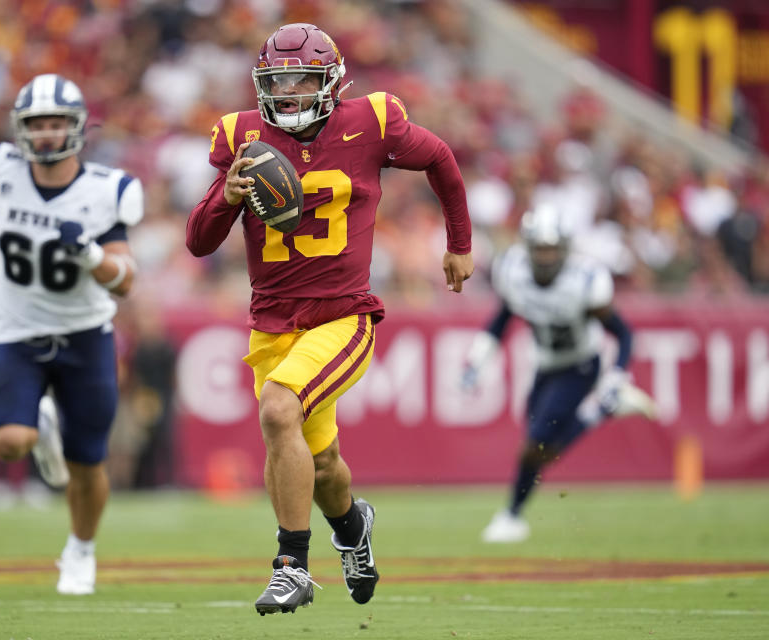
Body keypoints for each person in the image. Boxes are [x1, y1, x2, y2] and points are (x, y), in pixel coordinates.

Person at [186, 23, 473, 615]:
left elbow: (440, 157)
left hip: (343, 314)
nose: (288, 92)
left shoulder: (371, 122)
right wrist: (228, 197)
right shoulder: (242, 136)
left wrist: (459, 242)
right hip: (272, 323)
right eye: (278, 81)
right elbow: (198, 242)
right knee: (321, 466)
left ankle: (291, 566)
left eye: (301, 79)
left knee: (278, 410)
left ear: (332, 80)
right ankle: (352, 528)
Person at [0, 73, 142, 595]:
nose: (48, 134)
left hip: (84, 333)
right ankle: (41, 428)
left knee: (87, 462)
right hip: (15, 327)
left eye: (57, 123)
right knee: (9, 442)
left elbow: (126, 281)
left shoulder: (106, 190)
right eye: (37, 124)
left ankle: (81, 550)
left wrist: (91, 255)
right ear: (20, 128)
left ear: (76, 127)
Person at [462, 204, 656, 544]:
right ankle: (602, 411)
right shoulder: (514, 272)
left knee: (531, 447)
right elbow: (503, 319)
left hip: (580, 365)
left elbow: (624, 334)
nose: (547, 257)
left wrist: (616, 376)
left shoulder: (584, 281)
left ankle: (510, 517)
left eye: (552, 249)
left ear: (565, 248)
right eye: (540, 249)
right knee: (541, 450)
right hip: (545, 364)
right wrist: (477, 359)